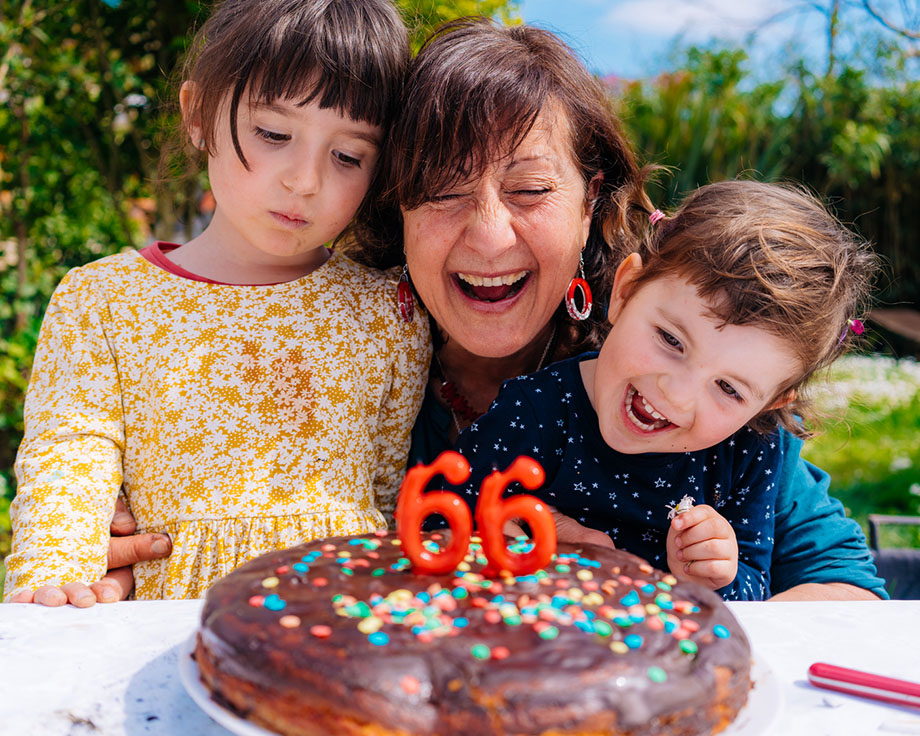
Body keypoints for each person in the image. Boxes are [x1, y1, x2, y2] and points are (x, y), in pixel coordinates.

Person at [88, 17, 887, 602]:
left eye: (532, 190)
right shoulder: (330, 357)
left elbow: (848, 600)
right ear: (393, 202)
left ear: (591, 203)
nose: (489, 232)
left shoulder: (693, 371)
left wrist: (665, 595)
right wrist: (136, 545)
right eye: (442, 189)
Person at [4, 0, 429, 606]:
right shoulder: (104, 300)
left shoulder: (390, 312)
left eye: (348, 156)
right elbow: (69, 459)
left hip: (340, 634)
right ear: (198, 113)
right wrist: (56, 585)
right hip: (163, 646)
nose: (304, 180)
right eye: (274, 133)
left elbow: (386, 497)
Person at [447, 180, 878, 601]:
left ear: (769, 404)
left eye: (728, 388)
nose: (676, 395)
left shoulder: (750, 453)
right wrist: (503, 540)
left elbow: (755, 591)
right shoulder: (536, 412)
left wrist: (714, 578)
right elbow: (438, 521)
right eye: (671, 340)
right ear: (625, 290)